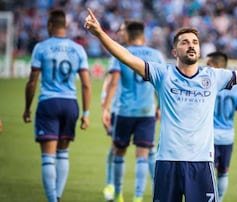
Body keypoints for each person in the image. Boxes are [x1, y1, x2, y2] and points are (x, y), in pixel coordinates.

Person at [84, 8, 237, 202]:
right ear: (175, 52)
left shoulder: (214, 77)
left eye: (194, 42)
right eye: (184, 42)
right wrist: (101, 34)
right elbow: (126, 57)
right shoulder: (163, 74)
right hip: (167, 162)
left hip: (201, 164)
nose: (191, 45)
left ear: (200, 50)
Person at [23, 9, 92, 202]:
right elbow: (86, 84)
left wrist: (27, 107)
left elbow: (32, 81)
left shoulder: (41, 48)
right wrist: (86, 113)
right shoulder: (78, 49)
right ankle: (58, 196)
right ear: (66, 26)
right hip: (70, 103)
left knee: (48, 157)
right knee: (63, 153)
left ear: (50, 25)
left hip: (48, 102)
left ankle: (53, 199)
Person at [101, 19, 165, 202]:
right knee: (142, 156)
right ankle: (138, 198)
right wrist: (160, 107)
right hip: (146, 113)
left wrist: (105, 108)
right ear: (143, 37)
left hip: (124, 111)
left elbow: (113, 82)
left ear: (127, 35)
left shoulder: (121, 53)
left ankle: (119, 195)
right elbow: (161, 85)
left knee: (118, 153)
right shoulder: (156, 55)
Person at [206, 51, 237, 202]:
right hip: (227, 137)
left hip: (209, 137)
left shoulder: (208, 83)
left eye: (208, 65)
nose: (206, 68)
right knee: (223, 172)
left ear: (217, 65)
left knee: (208, 173)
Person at [101, 21, 128, 202]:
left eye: (122, 29)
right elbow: (109, 80)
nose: (119, 32)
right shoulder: (116, 52)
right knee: (115, 150)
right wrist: (105, 104)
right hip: (118, 110)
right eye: (118, 29)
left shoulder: (128, 53)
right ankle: (111, 187)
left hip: (132, 111)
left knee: (147, 153)